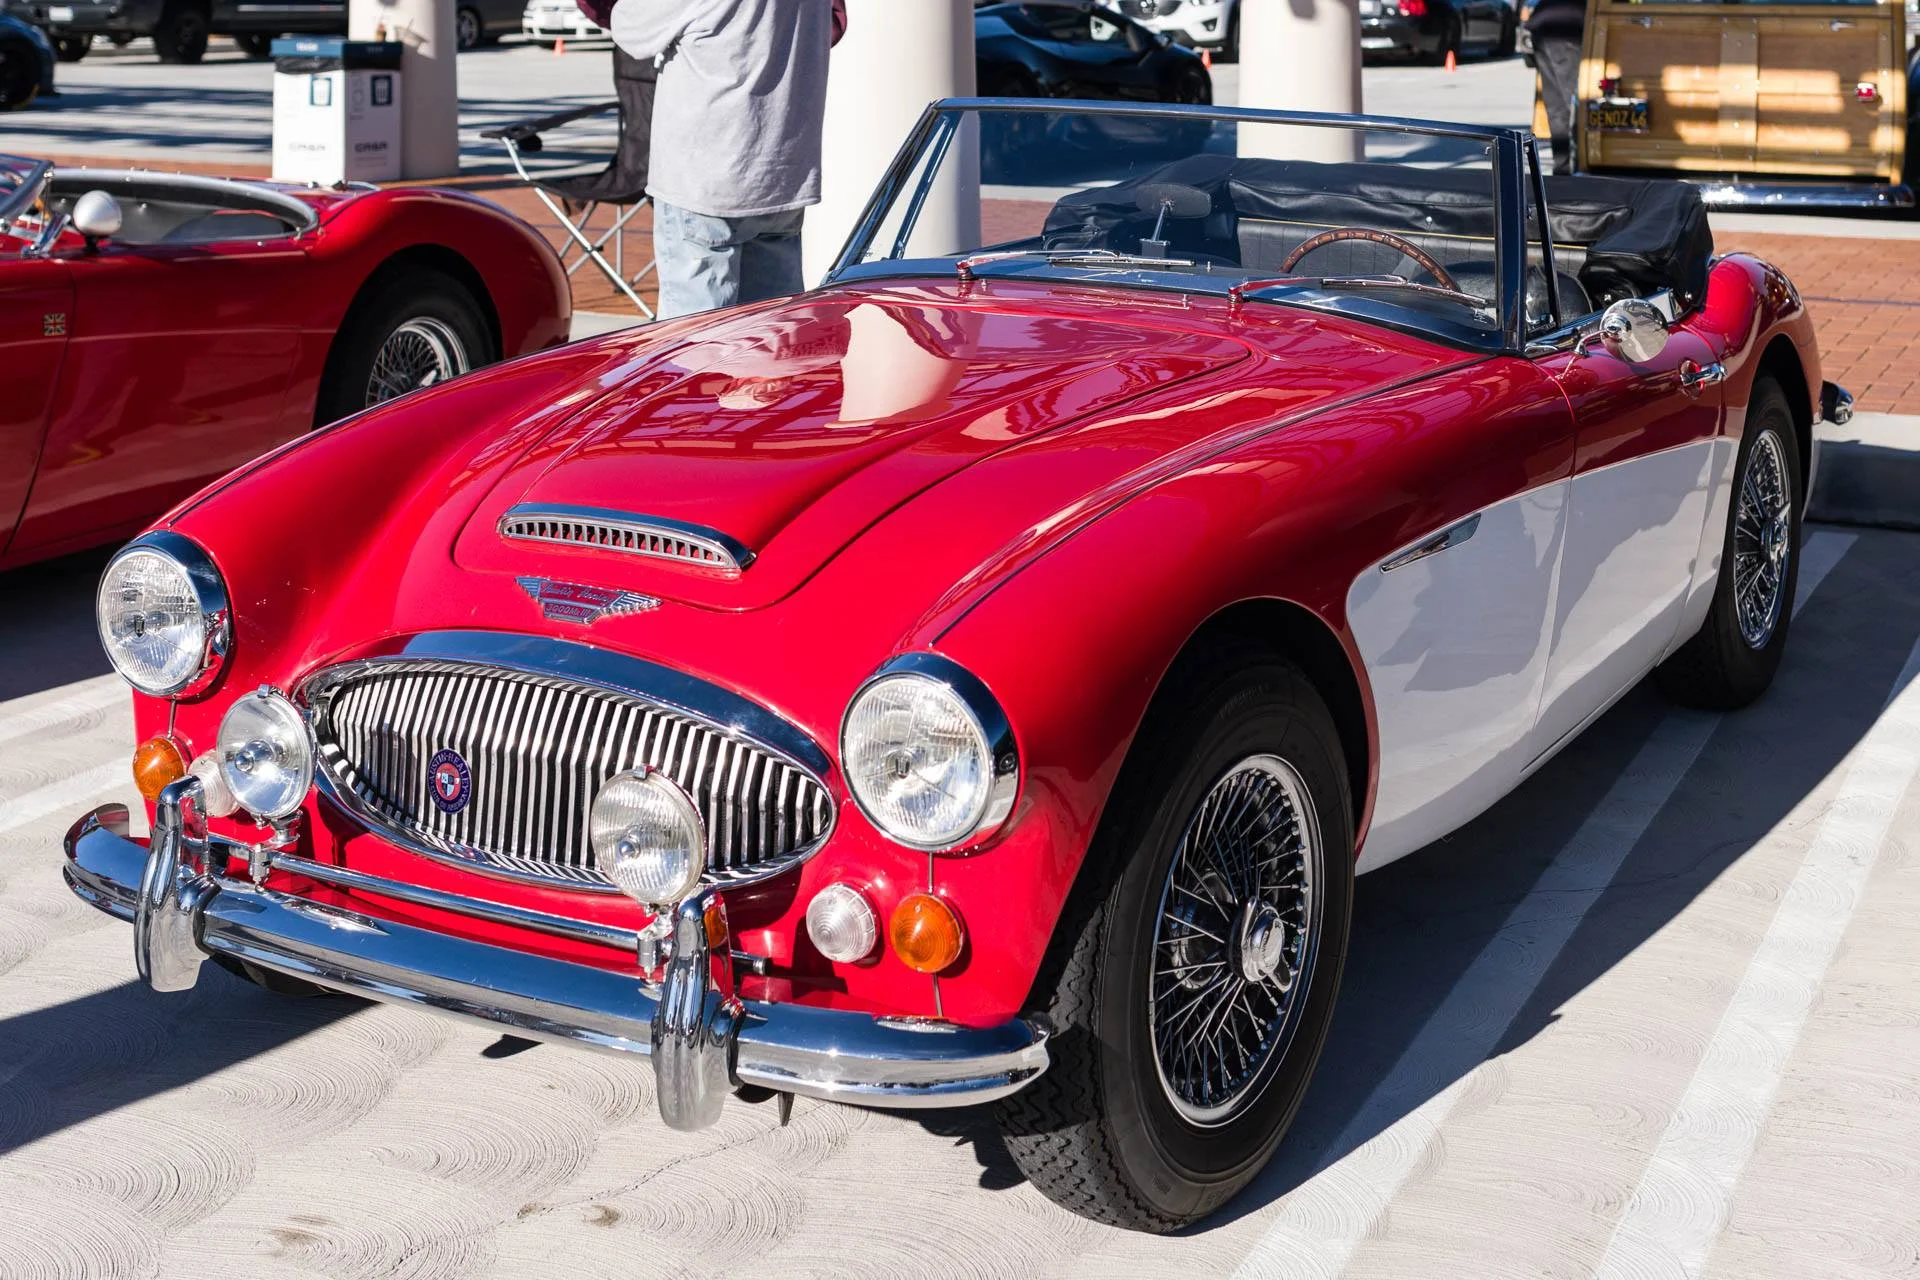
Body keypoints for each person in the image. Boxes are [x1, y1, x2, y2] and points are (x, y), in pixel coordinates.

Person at [611, 0, 845, 318]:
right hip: (782, 174)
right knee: (770, 334)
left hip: (706, 178)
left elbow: (630, 26)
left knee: (698, 341)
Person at [1527, 0, 1586, 176]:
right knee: (1573, 101)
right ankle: (1578, 163)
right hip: (1567, 25)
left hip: (1543, 21)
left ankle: (1562, 165)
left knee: (1556, 102)